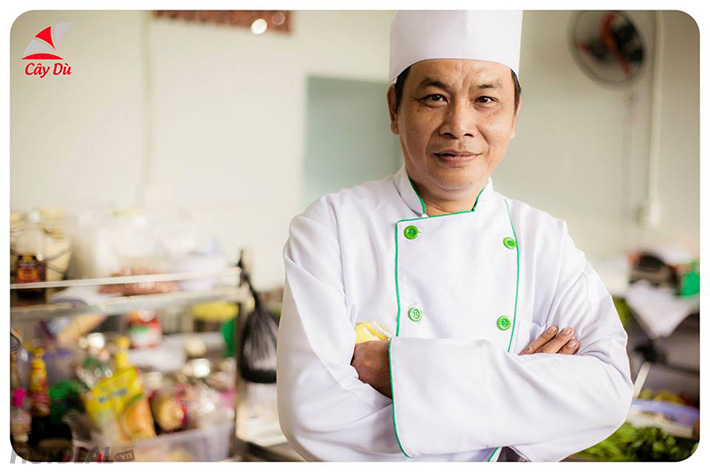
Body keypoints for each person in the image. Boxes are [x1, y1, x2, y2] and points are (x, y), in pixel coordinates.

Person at [276, 10, 632, 462]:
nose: (459, 124)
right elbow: (315, 416)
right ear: (394, 108)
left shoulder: (545, 240)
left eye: (485, 99)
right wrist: (522, 387)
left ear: (514, 115)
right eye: (434, 97)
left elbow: (609, 391)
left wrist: (398, 370)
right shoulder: (331, 227)